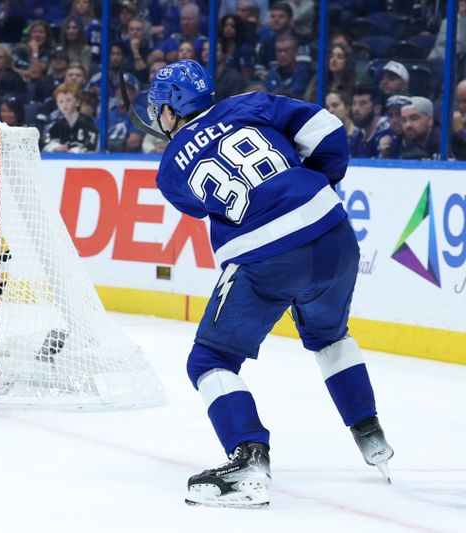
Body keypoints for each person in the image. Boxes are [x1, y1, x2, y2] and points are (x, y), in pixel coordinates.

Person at [146, 59, 393, 507]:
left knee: (210, 359)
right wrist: (316, 180)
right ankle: (369, 432)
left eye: (160, 106)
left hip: (266, 254)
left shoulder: (168, 168)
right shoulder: (250, 102)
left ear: (173, 106)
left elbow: (203, 206)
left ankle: (247, 460)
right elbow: (328, 128)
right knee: (328, 336)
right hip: (333, 231)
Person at [41, 83, 98, 153]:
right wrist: (55, 147)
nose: (64, 105)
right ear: (57, 104)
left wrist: (74, 150)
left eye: (68, 100)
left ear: (77, 102)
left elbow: (92, 145)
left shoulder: (87, 122)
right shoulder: (54, 122)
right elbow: (46, 142)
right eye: (61, 101)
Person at [349, 84, 394, 159]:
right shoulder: (357, 135)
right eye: (354, 103)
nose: (356, 109)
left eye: (362, 103)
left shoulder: (389, 133)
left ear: (377, 109)